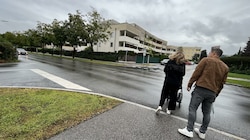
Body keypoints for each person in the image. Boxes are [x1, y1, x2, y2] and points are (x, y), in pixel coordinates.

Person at [178, 46, 229, 139]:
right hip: (212, 92)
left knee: (192, 108)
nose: (209, 54)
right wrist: (216, 93)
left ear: (214, 53)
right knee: (206, 113)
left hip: (201, 89)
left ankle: (189, 130)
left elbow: (197, 73)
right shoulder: (225, 67)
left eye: (210, 52)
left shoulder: (206, 60)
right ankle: (202, 132)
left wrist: (190, 84)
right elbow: (222, 83)